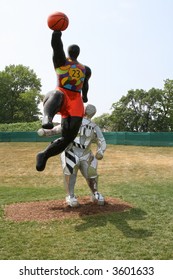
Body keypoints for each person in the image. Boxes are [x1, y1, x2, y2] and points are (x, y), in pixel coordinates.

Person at [36, 30, 91, 171]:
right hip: (61, 93)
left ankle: (44, 155)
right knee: (56, 95)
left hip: (75, 100)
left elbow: (85, 84)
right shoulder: (61, 61)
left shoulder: (86, 69)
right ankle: (47, 118)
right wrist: (56, 34)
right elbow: (56, 47)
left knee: (68, 138)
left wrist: (84, 96)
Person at [37, 104, 106, 207]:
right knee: (70, 172)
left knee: (91, 173)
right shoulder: (74, 122)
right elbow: (57, 129)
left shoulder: (93, 126)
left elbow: (101, 140)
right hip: (71, 151)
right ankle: (70, 196)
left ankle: (95, 193)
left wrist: (101, 151)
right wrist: (46, 132)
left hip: (86, 154)